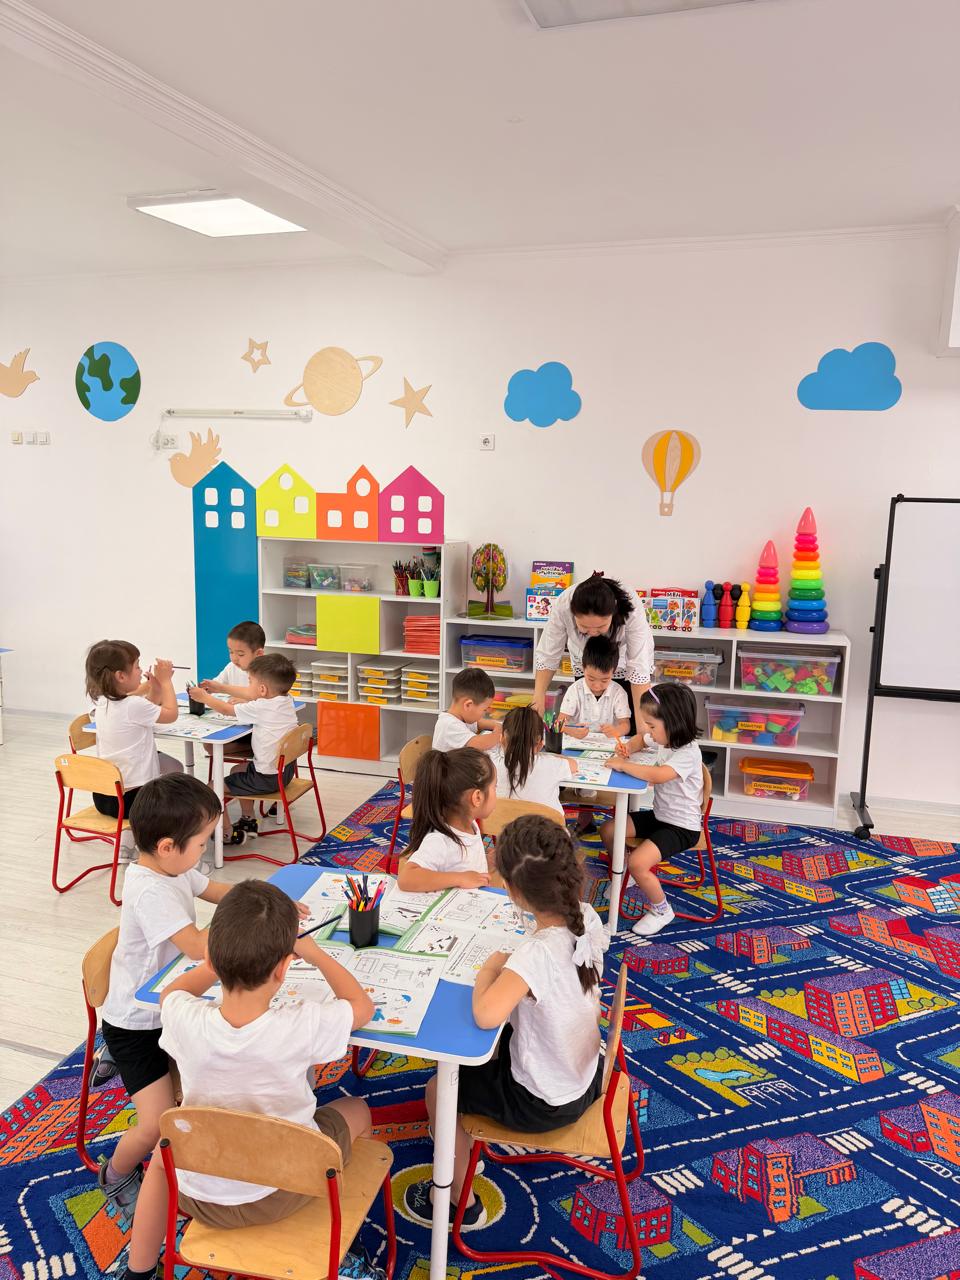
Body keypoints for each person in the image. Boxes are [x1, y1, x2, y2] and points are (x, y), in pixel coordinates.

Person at [119, 879, 385, 1280]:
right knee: (358, 1109)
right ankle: (342, 1243)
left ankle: (138, 1270)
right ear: (283, 967)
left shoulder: (184, 1017)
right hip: (283, 1192)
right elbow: (360, 1006)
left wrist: (211, 965)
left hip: (197, 1195)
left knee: (162, 1151)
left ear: (214, 958)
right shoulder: (300, 1026)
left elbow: (170, 993)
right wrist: (316, 955)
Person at [403, 815, 607, 1230]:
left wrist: (489, 969)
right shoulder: (586, 916)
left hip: (543, 1101)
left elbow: (485, 1015)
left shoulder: (537, 953)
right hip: (588, 1073)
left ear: (514, 892)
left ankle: (460, 1200)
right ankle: (461, 1147)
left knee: (439, 1089)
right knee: (496, 1044)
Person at [95, 775, 231, 1227]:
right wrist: (250, 926)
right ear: (168, 846)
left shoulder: (172, 866)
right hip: (136, 1024)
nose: (206, 851)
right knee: (157, 1123)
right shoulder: (151, 888)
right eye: (203, 842)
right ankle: (114, 1175)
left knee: (213, 1082)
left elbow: (216, 891)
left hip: (168, 1004)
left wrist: (259, 898)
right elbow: (196, 946)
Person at [600, 682, 703, 938]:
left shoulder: (688, 752)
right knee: (610, 829)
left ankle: (662, 910)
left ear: (673, 723)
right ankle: (625, 873)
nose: (649, 731)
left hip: (681, 827)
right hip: (660, 816)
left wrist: (623, 765)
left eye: (652, 726)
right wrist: (628, 748)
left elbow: (658, 775)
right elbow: (639, 739)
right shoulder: (665, 739)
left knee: (639, 862)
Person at [190, 653, 298, 844]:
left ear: (262, 689)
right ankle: (248, 820)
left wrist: (204, 697)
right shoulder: (285, 699)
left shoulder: (260, 708)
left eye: (250, 682)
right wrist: (220, 687)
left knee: (211, 788)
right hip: (285, 772)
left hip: (267, 778)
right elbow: (251, 695)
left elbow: (226, 710)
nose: (248, 687)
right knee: (237, 770)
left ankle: (226, 833)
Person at [531, 573, 654, 731]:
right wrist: (538, 697)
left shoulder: (632, 609)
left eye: (601, 627)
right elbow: (548, 654)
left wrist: (643, 734)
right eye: (584, 627)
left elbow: (639, 668)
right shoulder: (563, 605)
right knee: (584, 712)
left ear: (613, 613)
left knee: (633, 724)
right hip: (588, 661)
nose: (593, 633)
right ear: (573, 614)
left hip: (619, 662)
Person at [85, 640, 181, 827]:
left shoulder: (103, 702)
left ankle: (129, 842)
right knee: (177, 779)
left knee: (174, 766)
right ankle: (160, 827)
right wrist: (166, 681)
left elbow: (146, 711)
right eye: (137, 666)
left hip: (104, 796)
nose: (141, 670)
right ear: (121, 676)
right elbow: (171, 714)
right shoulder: (133, 704)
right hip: (135, 801)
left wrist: (155, 689)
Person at [397, 747, 496, 892]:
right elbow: (406, 878)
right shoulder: (440, 841)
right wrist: (460, 878)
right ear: (477, 797)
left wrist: (486, 862)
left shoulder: (470, 825)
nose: (496, 793)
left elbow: (461, 864)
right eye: (494, 787)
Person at [197, 620, 266, 766]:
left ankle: (260, 752)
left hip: (259, 731)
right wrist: (207, 688)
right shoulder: (232, 667)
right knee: (209, 744)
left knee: (213, 746)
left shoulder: (268, 674)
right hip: (238, 725)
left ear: (259, 653)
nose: (234, 658)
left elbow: (268, 701)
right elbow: (217, 686)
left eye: (240, 654)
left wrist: (247, 702)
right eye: (231, 652)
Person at [493, 705, 575, 814]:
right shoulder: (551, 764)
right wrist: (548, 755)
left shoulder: (489, 764)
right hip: (545, 825)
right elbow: (573, 765)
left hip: (501, 824)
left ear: (501, 739)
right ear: (540, 744)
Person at [556, 635, 632, 750]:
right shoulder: (575, 689)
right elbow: (558, 724)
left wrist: (616, 730)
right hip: (576, 745)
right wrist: (570, 730)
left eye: (604, 680)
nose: (597, 685)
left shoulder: (618, 692)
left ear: (614, 671)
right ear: (583, 668)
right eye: (591, 679)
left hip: (608, 747)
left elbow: (625, 725)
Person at [433, 667, 502, 752]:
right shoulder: (449, 725)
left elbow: (478, 723)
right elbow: (483, 744)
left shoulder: (461, 717)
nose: (485, 713)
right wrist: (499, 732)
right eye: (484, 709)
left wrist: (496, 725)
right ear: (468, 705)